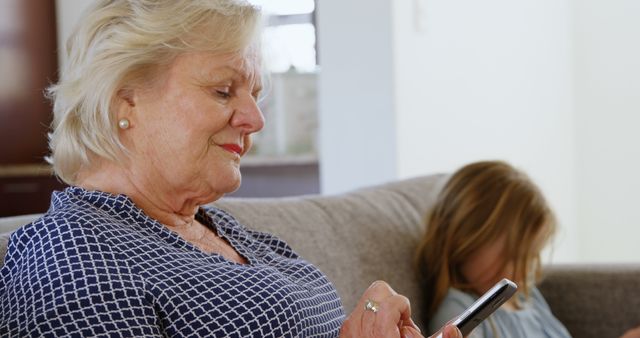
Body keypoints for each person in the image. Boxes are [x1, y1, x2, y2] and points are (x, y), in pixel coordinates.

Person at [0, 1, 461, 337]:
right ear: (126, 100)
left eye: (255, 97)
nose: (255, 120)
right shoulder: (71, 258)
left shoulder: (225, 231)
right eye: (223, 91)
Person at [415, 160, 640, 338]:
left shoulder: (524, 297)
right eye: (514, 257)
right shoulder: (461, 314)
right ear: (464, 239)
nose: (524, 272)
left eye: (531, 257)